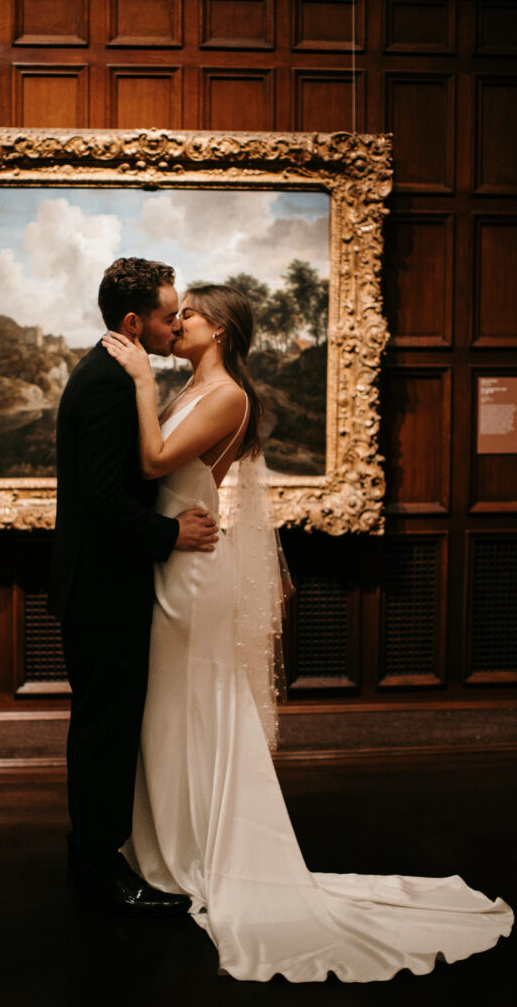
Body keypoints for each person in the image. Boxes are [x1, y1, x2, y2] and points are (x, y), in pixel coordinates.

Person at [101, 283, 514, 982]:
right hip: (176, 558)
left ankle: (203, 854)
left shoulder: (228, 394)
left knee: (191, 710)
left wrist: (140, 377)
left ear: (222, 330)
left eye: (192, 315)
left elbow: (153, 462)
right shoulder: (196, 387)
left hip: (195, 577)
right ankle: (171, 848)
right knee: (173, 715)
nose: (179, 323)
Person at [47, 258, 219, 916]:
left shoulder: (114, 373)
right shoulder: (110, 386)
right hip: (101, 592)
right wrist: (169, 536)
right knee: (103, 735)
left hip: (101, 586)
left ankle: (98, 858)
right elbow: (99, 498)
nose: (176, 324)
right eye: (168, 314)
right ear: (131, 322)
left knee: (106, 729)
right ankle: (95, 871)